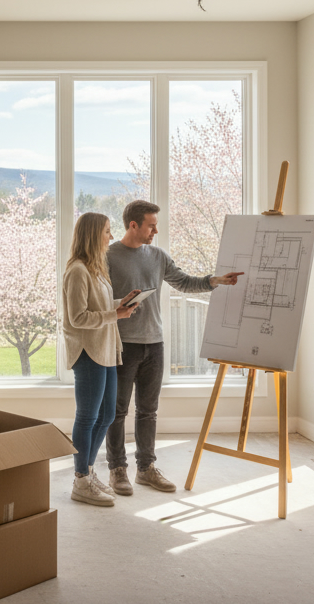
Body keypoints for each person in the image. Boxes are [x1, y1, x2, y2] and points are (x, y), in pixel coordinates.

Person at [105, 199, 243, 494]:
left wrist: (215, 280)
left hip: (154, 344)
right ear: (134, 225)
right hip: (122, 345)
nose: (155, 230)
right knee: (117, 412)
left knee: (148, 411)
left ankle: (146, 468)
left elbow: (183, 282)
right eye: (151, 225)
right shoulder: (109, 256)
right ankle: (117, 469)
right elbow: (98, 299)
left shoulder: (157, 256)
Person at [63, 212, 142, 507]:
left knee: (107, 415)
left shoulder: (96, 270)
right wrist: (115, 314)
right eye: (107, 231)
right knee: (87, 417)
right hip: (88, 351)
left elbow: (97, 306)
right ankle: (81, 479)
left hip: (106, 349)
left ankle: (88, 471)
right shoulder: (77, 271)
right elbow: (77, 317)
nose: (111, 237)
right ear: (93, 234)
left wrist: (120, 303)